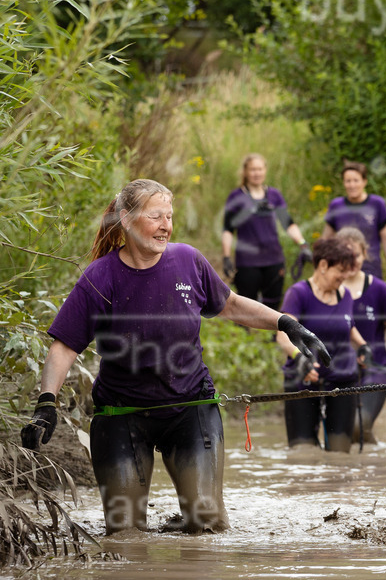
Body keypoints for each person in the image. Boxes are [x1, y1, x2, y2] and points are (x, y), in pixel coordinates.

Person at [20, 179, 331, 535]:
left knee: (207, 522)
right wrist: (46, 403)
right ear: (126, 219)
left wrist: (285, 322)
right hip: (122, 415)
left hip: (191, 409)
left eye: (169, 216)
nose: (166, 225)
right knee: (124, 533)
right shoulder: (100, 277)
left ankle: (186, 528)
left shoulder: (188, 261)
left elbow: (229, 305)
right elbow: (65, 345)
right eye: (156, 216)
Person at [277, 236, 373, 453]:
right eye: (340, 270)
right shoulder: (298, 293)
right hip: (303, 379)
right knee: (303, 453)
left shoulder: (345, 294)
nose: (345, 276)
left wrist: (363, 346)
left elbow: (348, 325)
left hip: (342, 380)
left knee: (340, 455)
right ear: (322, 265)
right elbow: (282, 335)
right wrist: (299, 357)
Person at [333, 227, 386, 446]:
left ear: (365, 255)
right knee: (341, 436)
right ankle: (375, 461)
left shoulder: (379, 289)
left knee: (358, 426)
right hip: (338, 370)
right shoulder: (328, 288)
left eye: (356, 255)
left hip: (375, 369)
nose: (351, 261)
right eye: (344, 256)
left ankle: (374, 463)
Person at [222, 154, 312, 310]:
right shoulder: (236, 197)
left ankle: (273, 335)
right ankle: (245, 334)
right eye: (252, 170)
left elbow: (288, 224)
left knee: (273, 305)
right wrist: (226, 256)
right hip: (248, 261)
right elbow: (228, 230)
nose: (257, 173)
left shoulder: (274, 195)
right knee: (245, 306)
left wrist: (303, 244)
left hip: (274, 259)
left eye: (260, 169)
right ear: (245, 172)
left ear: (265, 171)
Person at [322, 160, 386, 294]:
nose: (352, 185)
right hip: (342, 270)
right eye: (348, 181)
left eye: (356, 180)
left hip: (371, 269)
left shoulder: (377, 204)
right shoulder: (336, 205)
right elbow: (326, 240)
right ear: (343, 183)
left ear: (364, 181)